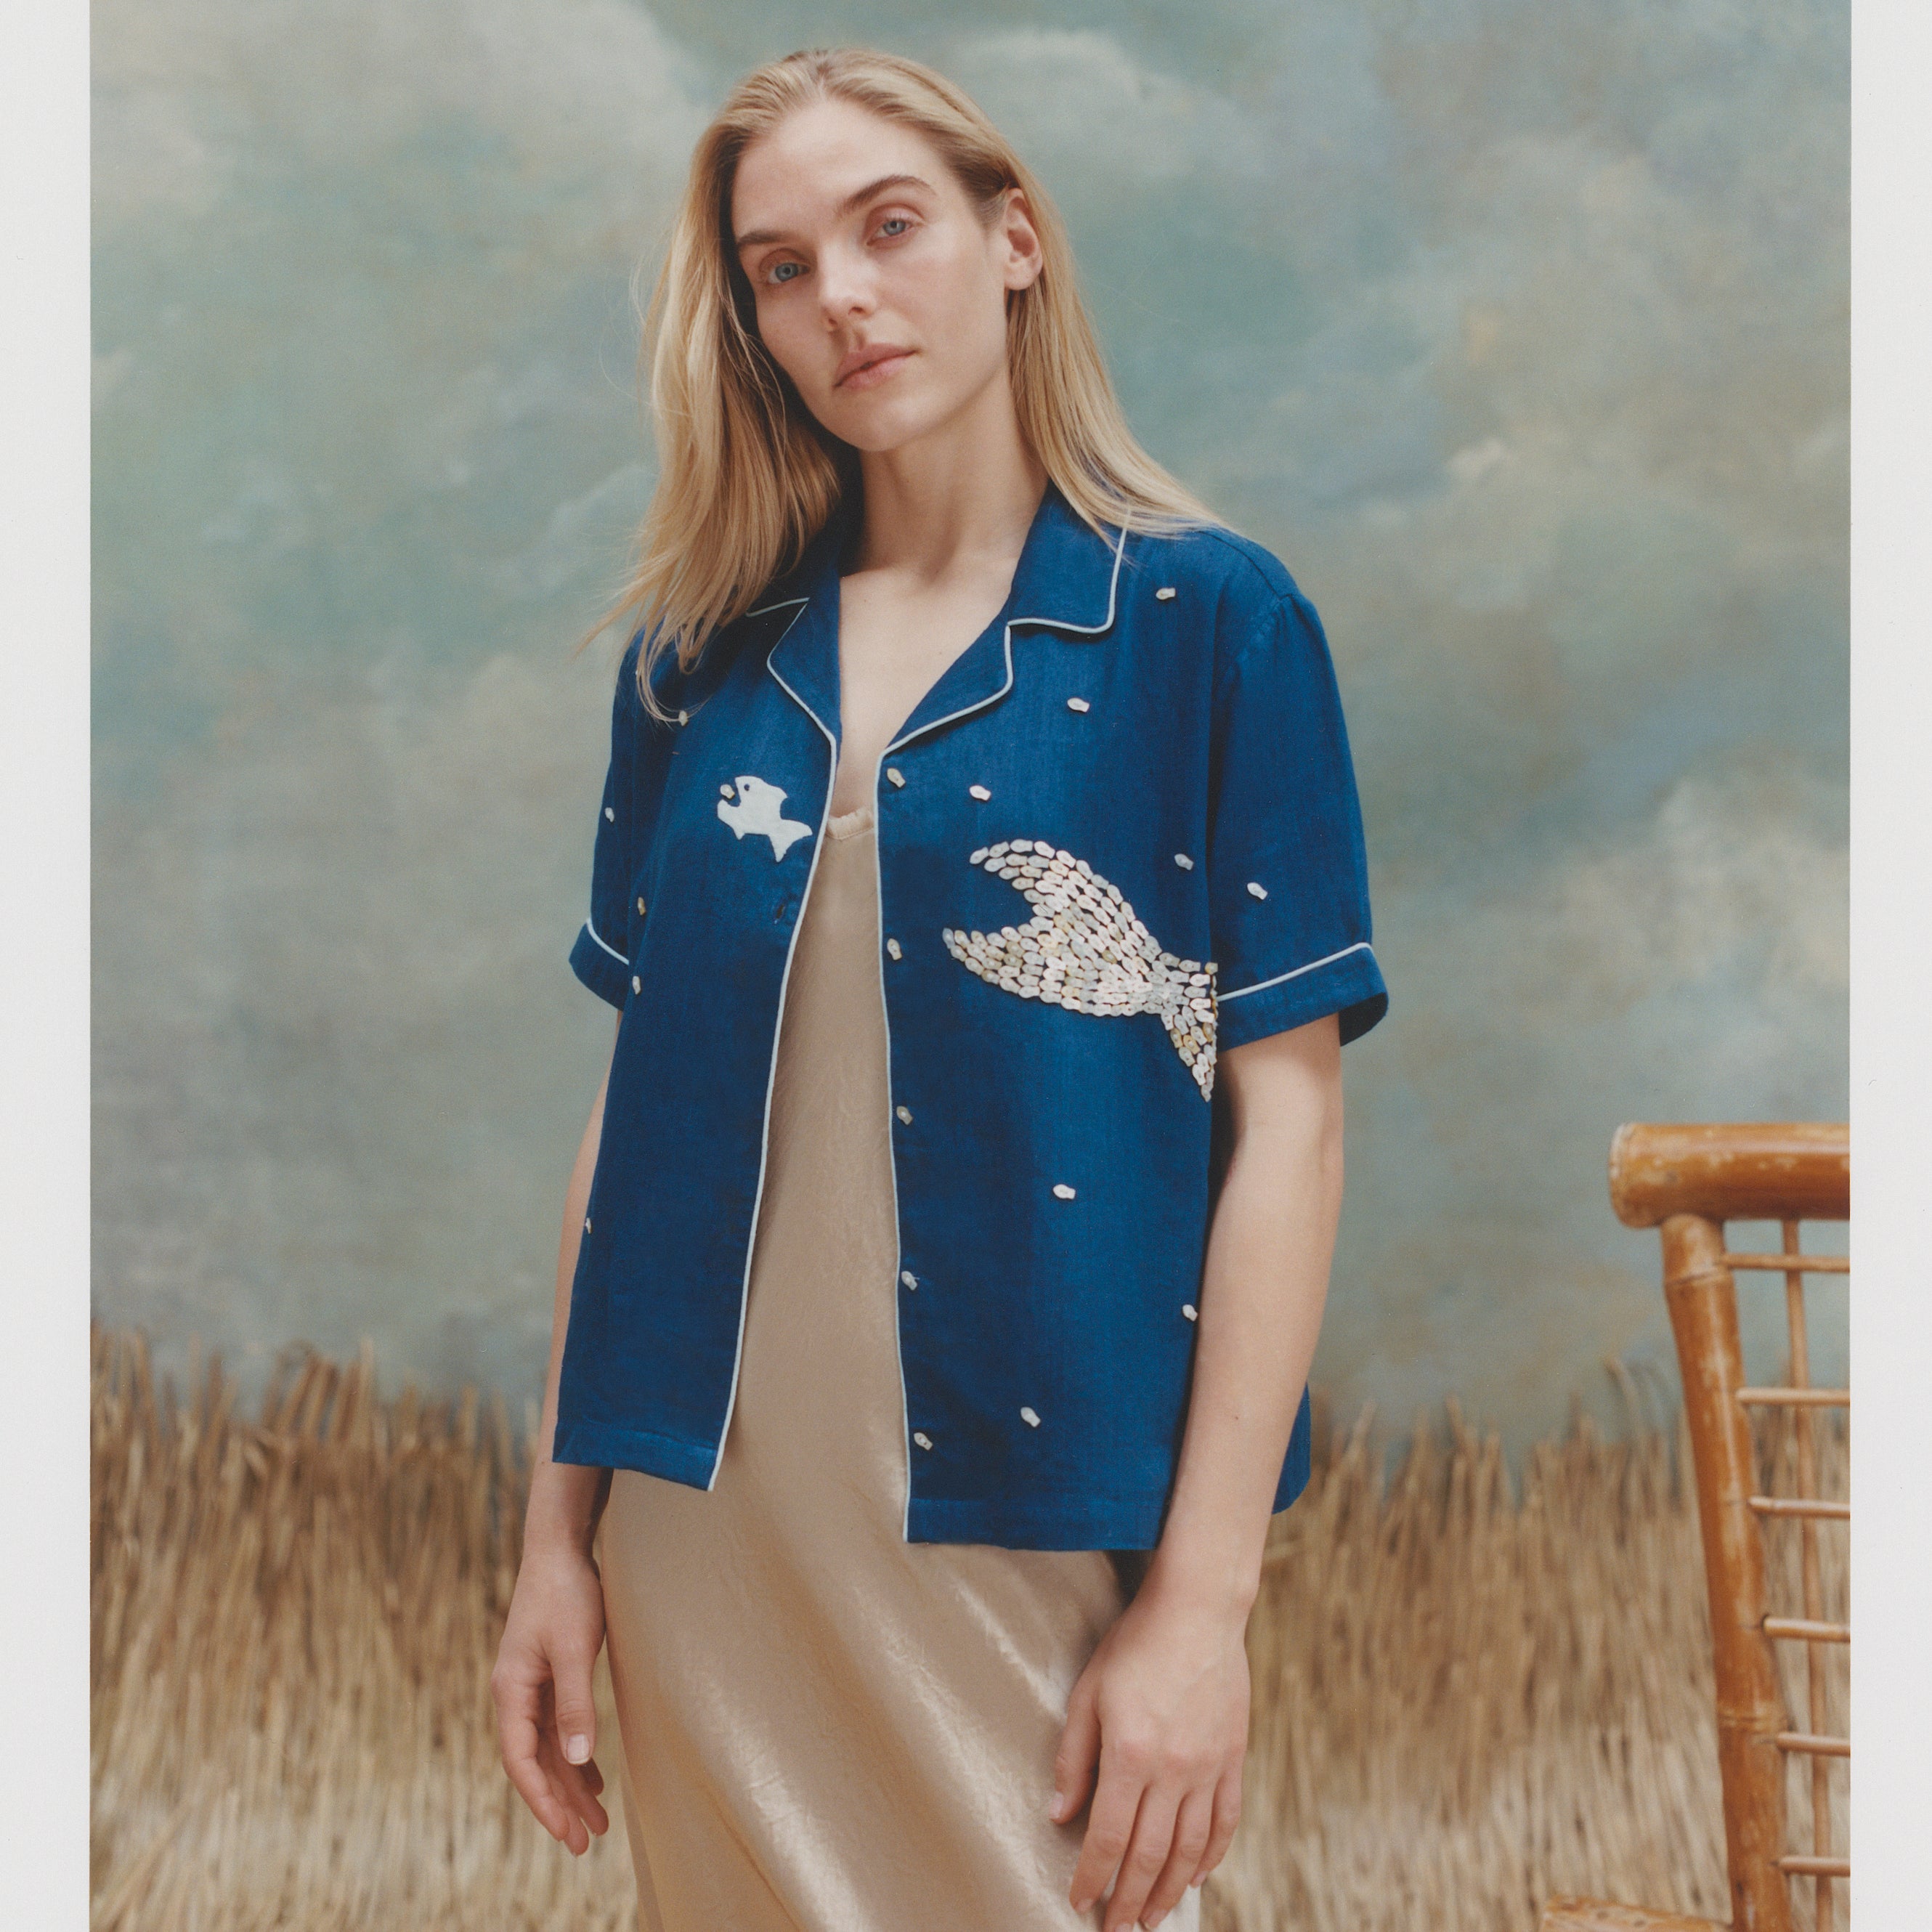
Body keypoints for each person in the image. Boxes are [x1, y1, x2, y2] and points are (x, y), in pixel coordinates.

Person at [490, 45, 1387, 1932]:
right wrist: (552, 1544)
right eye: (779, 265)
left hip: (1032, 1492)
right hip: (703, 1519)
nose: (842, 297)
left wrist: (1199, 1608)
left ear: (1014, 239)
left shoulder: (1210, 626)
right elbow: (630, 1130)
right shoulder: (692, 667)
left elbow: (1284, 1130)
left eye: (886, 226)